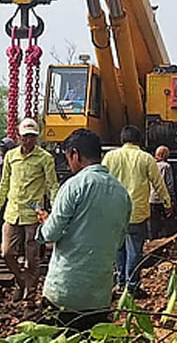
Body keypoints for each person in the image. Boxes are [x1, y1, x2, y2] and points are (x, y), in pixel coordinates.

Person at [36, 129, 132, 331]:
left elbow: (50, 234)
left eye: (68, 157)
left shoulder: (74, 186)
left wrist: (45, 222)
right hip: (99, 297)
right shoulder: (122, 193)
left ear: (75, 154)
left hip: (65, 292)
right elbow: (120, 241)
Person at [0, 118, 59, 301]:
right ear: (19, 137)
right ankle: (21, 280)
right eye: (25, 137)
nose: (28, 140)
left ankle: (30, 296)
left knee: (32, 259)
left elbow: (52, 185)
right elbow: (4, 184)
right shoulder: (11, 157)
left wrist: (53, 211)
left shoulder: (45, 158)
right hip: (12, 213)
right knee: (7, 253)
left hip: (32, 215)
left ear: (36, 138)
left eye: (32, 137)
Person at [104, 126, 173, 297]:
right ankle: (132, 286)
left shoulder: (110, 157)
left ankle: (120, 283)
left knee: (119, 249)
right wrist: (167, 202)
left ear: (122, 139)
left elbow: (101, 179)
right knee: (135, 250)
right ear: (139, 140)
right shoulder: (146, 158)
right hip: (137, 212)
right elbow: (158, 183)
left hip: (115, 213)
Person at [148, 146, 176, 239]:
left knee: (153, 224)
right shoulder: (166, 166)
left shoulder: (150, 165)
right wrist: (171, 198)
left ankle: (152, 240)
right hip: (163, 199)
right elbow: (169, 183)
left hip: (151, 198)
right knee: (166, 224)